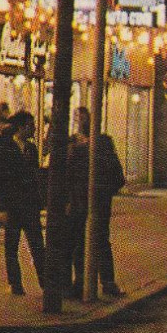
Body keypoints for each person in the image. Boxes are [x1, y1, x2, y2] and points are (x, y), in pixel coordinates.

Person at [65, 106, 126, 298]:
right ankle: (85, 281)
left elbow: (116, 175)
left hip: (93, 202)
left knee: (95, 241)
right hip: (81, 201)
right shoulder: (73, 145)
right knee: (82, 242)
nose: (81, 123)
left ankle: (102, 281)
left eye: (82, 119)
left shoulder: (101, 144)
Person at [0, 111, 46, 296]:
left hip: (30, 205)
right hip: (13, 205)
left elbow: (35, 177)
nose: (34, 128)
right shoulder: (6, 148)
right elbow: (0, 179)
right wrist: (2, 207)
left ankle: (45, 282)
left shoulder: (32, 149)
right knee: (11, 247)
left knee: (38, 246)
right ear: (22, 127)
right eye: (31, 124)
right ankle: (15, 284)